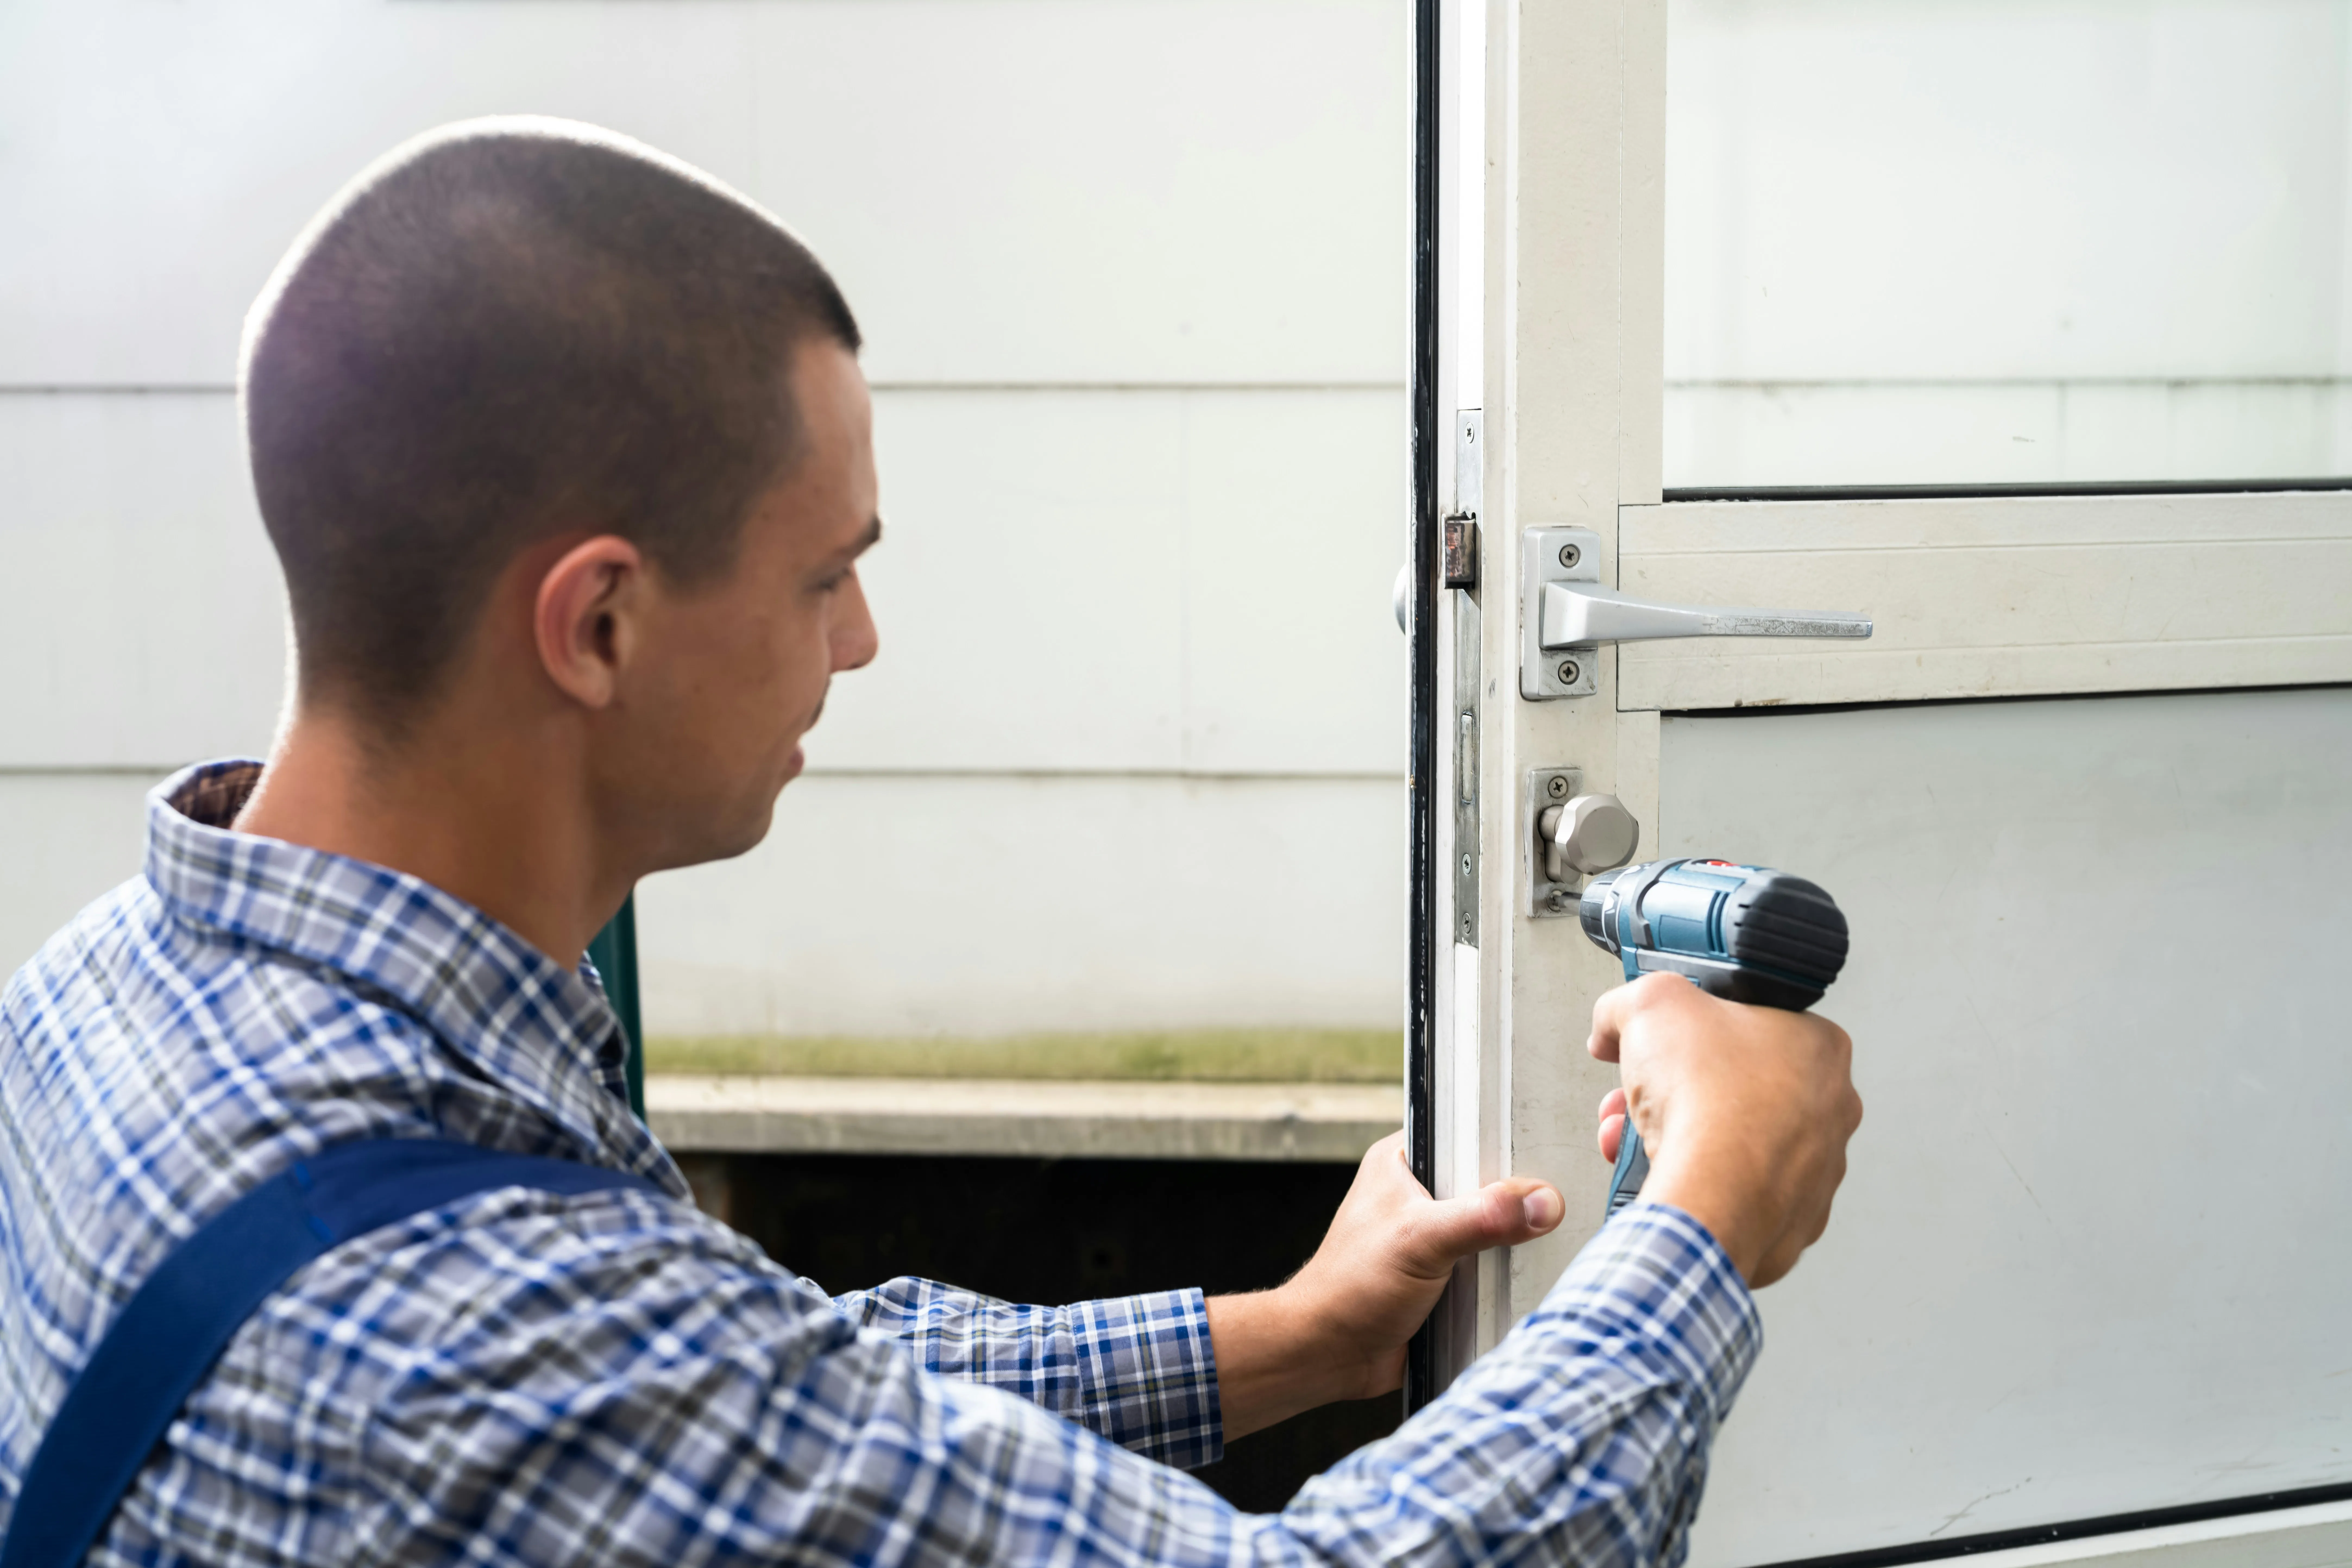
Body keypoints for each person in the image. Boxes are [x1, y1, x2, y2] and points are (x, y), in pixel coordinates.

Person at [0, 119, 1861, 1566]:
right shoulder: (457, 1347)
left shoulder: (115, 998)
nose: (863, 644)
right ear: (597, 625)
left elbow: (763, 1397)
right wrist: (1700, 1218)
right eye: (826, 577)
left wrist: (1279, 1335)